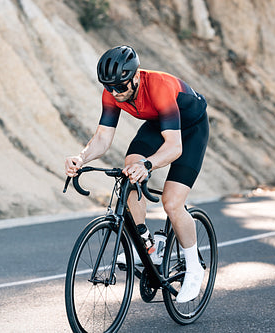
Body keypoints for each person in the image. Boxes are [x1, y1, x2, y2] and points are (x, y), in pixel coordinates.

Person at [64, 45, 209, 303]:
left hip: (190, 131)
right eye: (110, 88)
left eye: (121, 87)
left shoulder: (159, 87)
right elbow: (102, 137)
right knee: (129, 169)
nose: (115, 93)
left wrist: (149, 165)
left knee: (172, 203)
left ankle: (194, 268)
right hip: (158, 125)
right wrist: (81, 157)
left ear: (135, 76)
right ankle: (148, 244)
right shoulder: (112, 92)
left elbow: (174, 147)